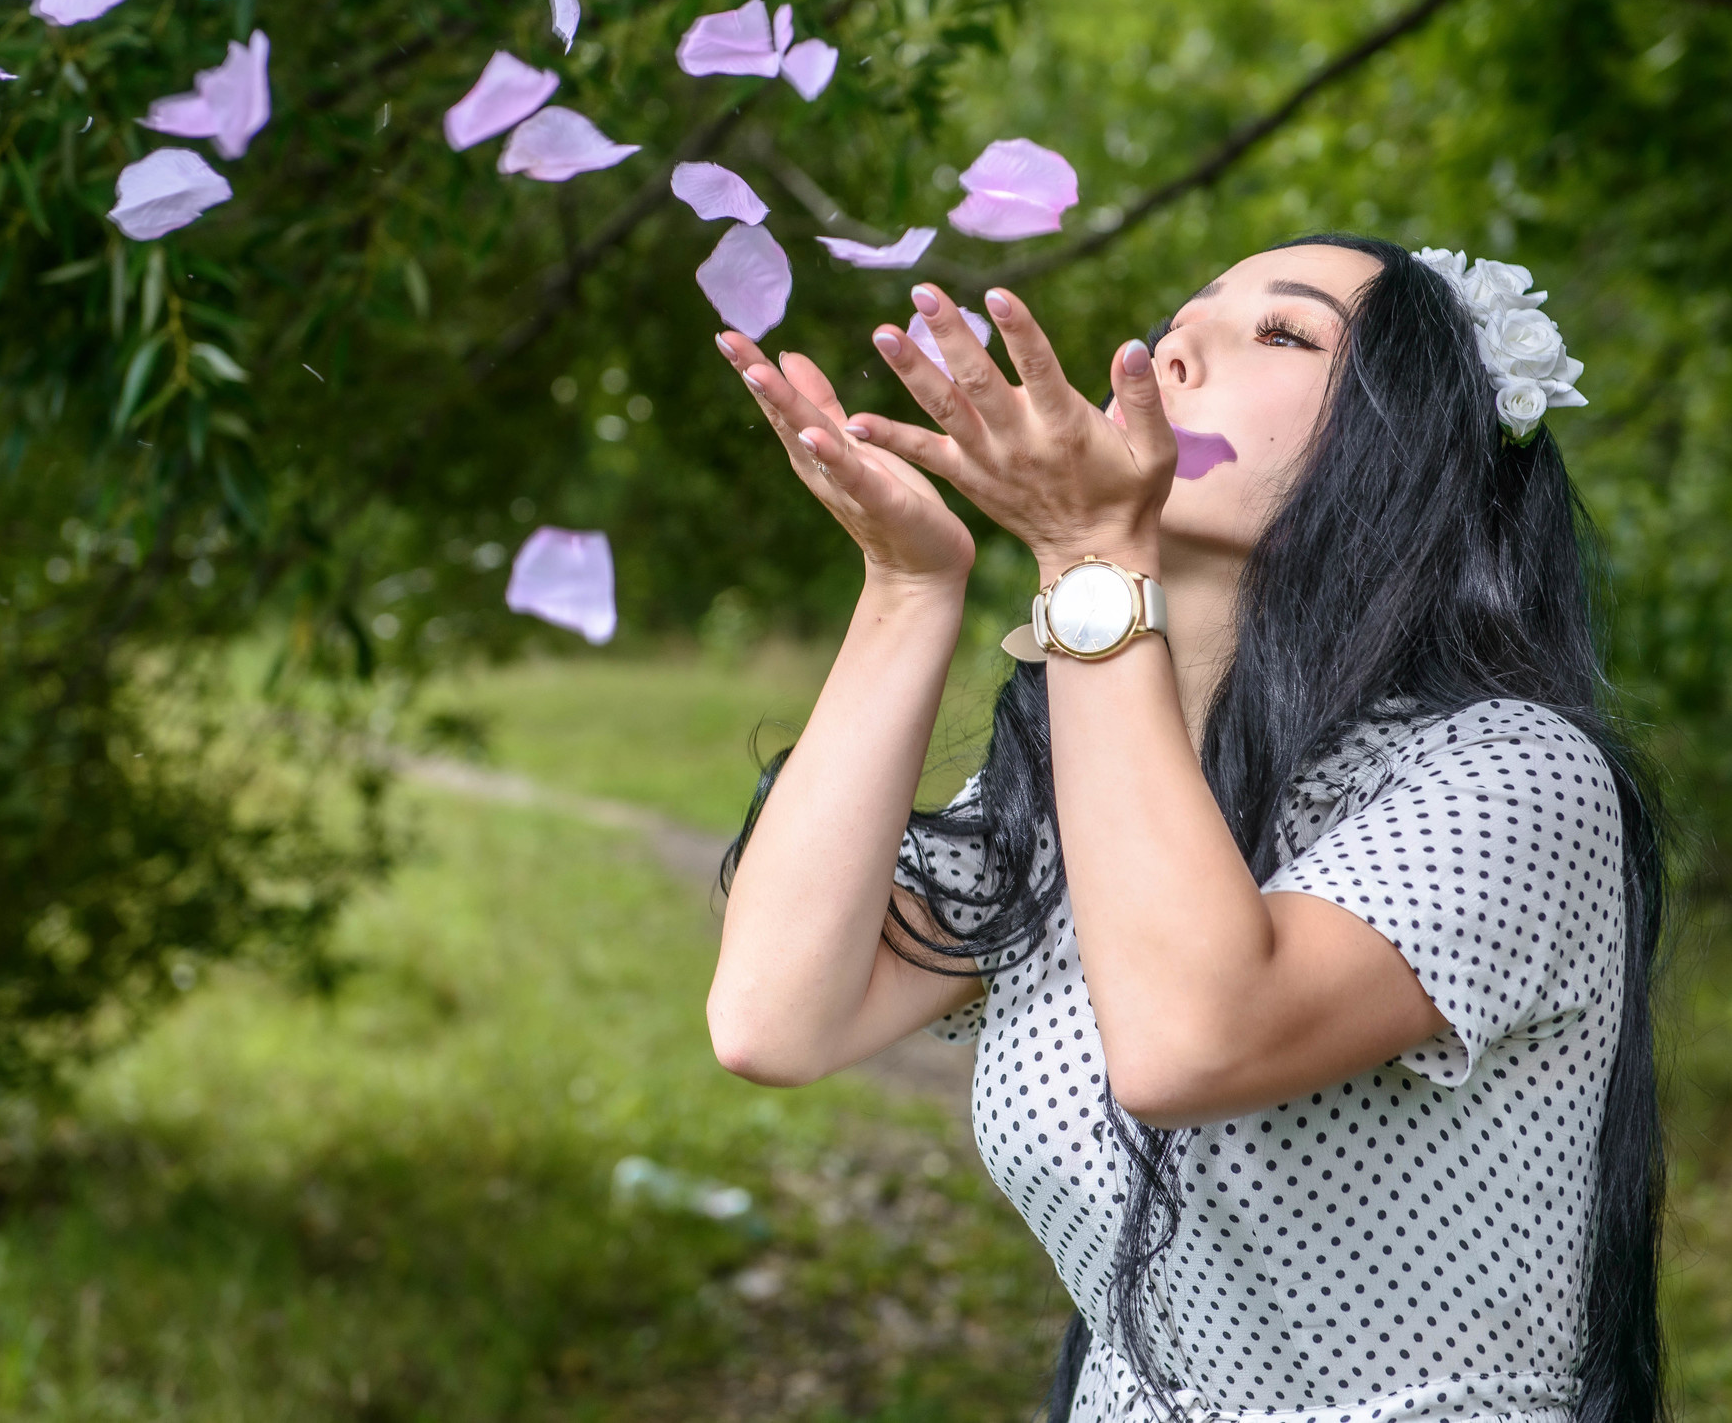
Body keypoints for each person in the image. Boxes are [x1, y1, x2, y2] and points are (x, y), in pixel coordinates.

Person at [705, 236, 1668, 1423]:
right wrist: (907, 589)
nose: (1172, 350)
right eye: (1177, 322)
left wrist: (1084, 556)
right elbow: (776, 1013)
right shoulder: (1089, 793)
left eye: (1283, 331)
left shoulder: (1514, 775)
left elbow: (1189, 1042)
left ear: (1408, 451)